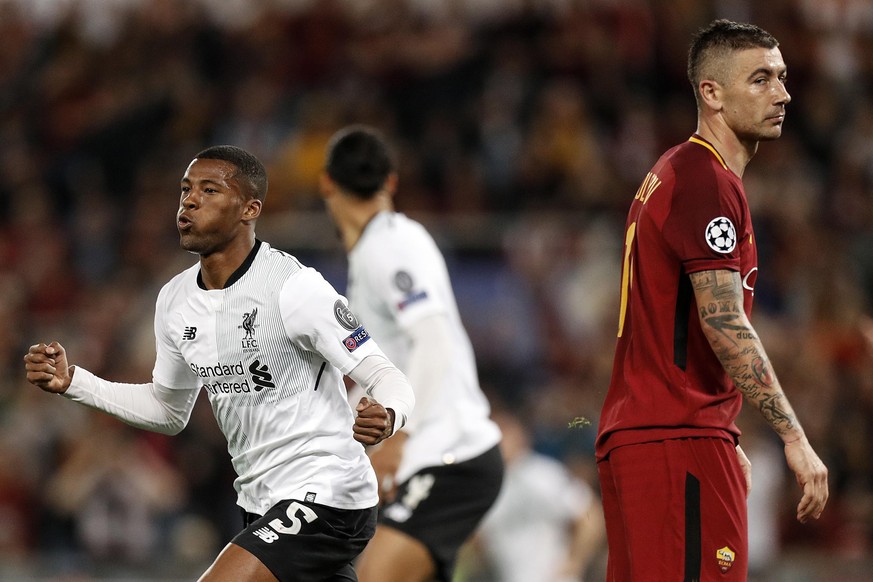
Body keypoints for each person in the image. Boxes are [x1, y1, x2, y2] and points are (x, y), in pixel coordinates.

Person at [24, 145, 415, 582]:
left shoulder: (295, 288)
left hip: (328, 494)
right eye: (186, 189)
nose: (189, 200)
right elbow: (167, 410)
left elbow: (385, 374)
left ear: (250, 209)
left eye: (210, 190)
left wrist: (389, 416)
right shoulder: (174, 300)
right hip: (259, 504)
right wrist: (74, 380)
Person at [595, 19, 829, 582]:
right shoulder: (706, 180)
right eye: (761, 79)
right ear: (712, 93)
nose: (782, 93)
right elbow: (723, 321)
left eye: (782, 77)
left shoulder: (676, 171)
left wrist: (720, 430)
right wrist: (793, 437)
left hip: (654, 440)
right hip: (676, 442)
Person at [318, 125, 503, 582]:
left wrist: (398, 435)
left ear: (326, 183)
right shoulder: (374, 253)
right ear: (392, 182)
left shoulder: (390, 246)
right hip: (431, 457)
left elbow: (433, 340)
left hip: (451, 455)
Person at [472, 408, 606, 582]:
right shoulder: (488, 490)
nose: (499, 442)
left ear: (520, 435)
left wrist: (575, 561)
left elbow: (591, 516)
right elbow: (480, 544)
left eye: (504, 433)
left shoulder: (542, 474)